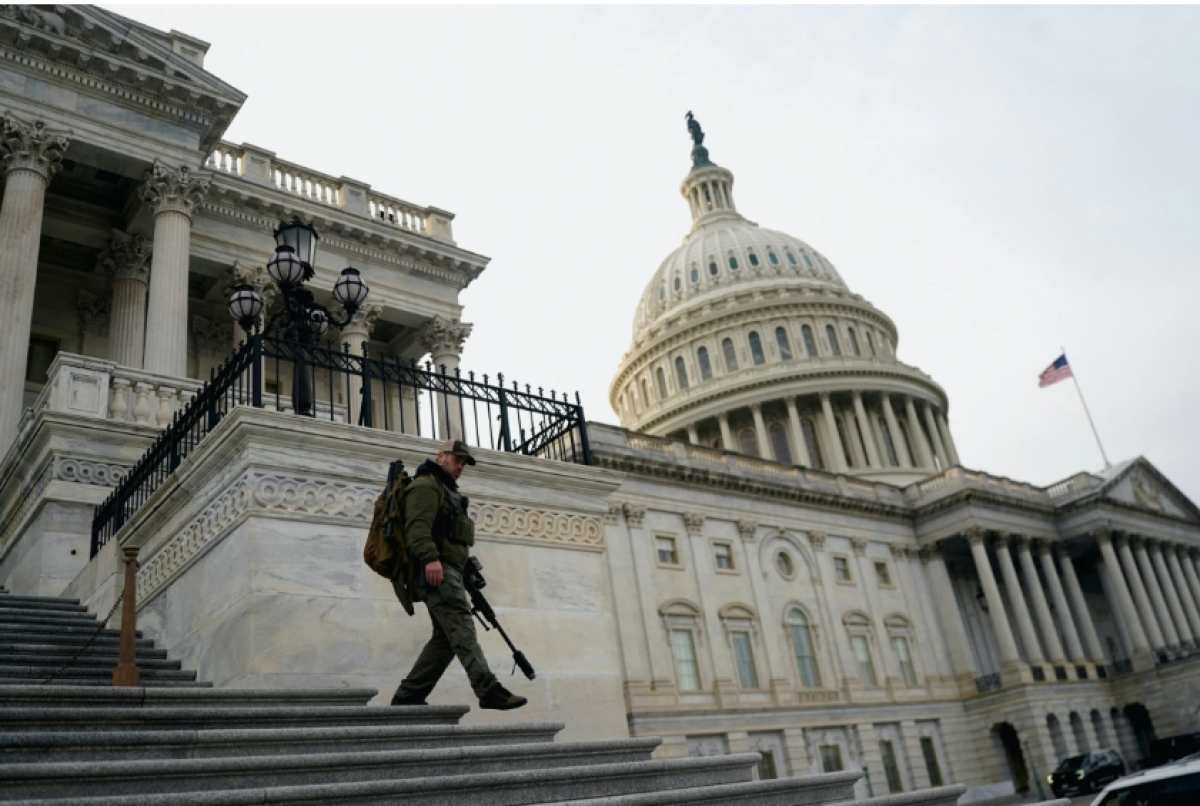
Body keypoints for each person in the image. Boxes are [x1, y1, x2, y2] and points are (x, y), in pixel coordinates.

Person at [391, 439, 528, 710]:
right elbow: (417, 529)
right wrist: (430, 559)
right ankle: (488, 690)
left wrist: (465, 569)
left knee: (445, 639)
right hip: (437, 572)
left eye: (464, 463)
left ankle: (408, 697)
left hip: (451, 572)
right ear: (441, 456)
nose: (461, 466)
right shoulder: (426, 485)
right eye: (457, 460)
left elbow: (450, 537)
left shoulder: (446, 490)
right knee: (462, 628)